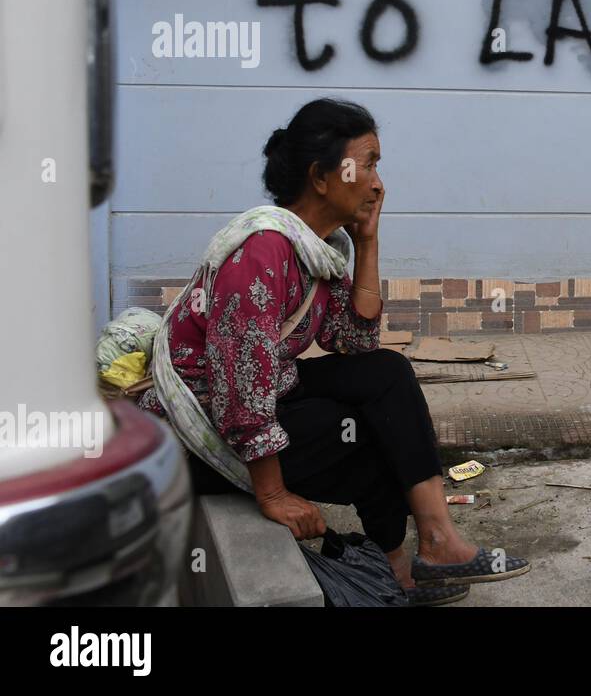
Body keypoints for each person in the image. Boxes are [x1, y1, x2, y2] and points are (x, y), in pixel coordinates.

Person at [136, 98, 527, 605]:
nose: (378, 183)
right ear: (322, 177)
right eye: (367, 164)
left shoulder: (321, 250)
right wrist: (273, 494)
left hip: (266, 392)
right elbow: (239, 389)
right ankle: (396, 576)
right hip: (198, 430)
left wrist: (368, 243)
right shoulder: (261, 251)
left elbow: (355, 344)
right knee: (370, 435)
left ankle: (436, 542)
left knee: (386, 374)